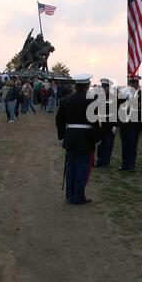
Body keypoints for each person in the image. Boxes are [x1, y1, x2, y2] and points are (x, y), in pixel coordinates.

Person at [56, 74, 102, 205]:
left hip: (70, 137)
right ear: (87, 86)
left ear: (76, 85)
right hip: (86, 138)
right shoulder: (92, 100)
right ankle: (78, 196)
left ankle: (70, 195)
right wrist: (97, 138)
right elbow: (95, 122)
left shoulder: (66, 100)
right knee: (82, 168)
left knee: (70, 167)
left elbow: (59, 120)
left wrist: (62, 136)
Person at [118, 75, 142, 171]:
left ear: (137, 84)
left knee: (132, 146)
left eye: (134, 83)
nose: (132, 85)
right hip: (124, 124)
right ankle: (124, 164)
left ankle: (131, 165)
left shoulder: (140, 94)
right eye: (131, 83)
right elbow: (119, 105)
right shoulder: (124, 93)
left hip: (134, 125)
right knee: (124, 146)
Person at [96, 78, 117, 167]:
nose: (104, 88)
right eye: (102, 86)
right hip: (100, 123)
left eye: (105, 87)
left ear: (109, 87)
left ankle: (105, 162)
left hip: (109, 123)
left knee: (108, 144)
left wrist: (115, 125)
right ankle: (99, 161)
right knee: (100, 144)